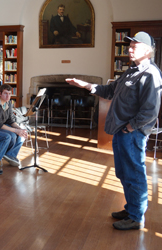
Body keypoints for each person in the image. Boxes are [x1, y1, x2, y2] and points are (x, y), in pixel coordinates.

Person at [66, 31, 162, 230]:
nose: (130, 49)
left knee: (134, 173)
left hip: (132, 134)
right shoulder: (131, 71)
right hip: (121, 131)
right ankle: (131, 208)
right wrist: (85, 85)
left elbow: (150, 111)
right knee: (123, 172)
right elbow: (109, 91)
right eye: (130, 45)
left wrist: (129, 128)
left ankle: (135, 217)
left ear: (147, 50)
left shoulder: (150, 74)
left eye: (135, 46)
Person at [0, 84, 27, 168]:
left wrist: (20, 129)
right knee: (11, 135)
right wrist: (16, 131)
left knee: (21, 134)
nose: (8, 96)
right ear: (0, 93)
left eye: (10, 94)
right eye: (6, 93)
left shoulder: (8, 103)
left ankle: (10, 155)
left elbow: (10, 120)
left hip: (0, 127)